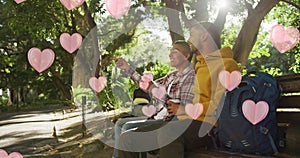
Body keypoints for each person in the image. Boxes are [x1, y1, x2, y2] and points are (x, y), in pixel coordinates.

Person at [117, 22, 240, 158]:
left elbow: (221, 107)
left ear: (204, 36)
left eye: (192, 35)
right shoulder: (200, 65)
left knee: (168, 133)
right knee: (128, 138)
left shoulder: (227, 65)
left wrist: (184, 109)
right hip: (182, 121)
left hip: (208, 126)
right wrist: (128, 70)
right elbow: (151, 87)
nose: (188, 40)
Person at [112, 40, 196, 158]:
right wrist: (127, 69)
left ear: (186, 56)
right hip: (160, 119)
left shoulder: (191, 77)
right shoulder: (171, 76)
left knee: (126, 128)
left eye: (175, 51)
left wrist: (158, 93)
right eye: (170, 51)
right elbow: (148, 85)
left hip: (172, 123)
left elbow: (182, 109)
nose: (170, 54)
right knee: (125, 135)